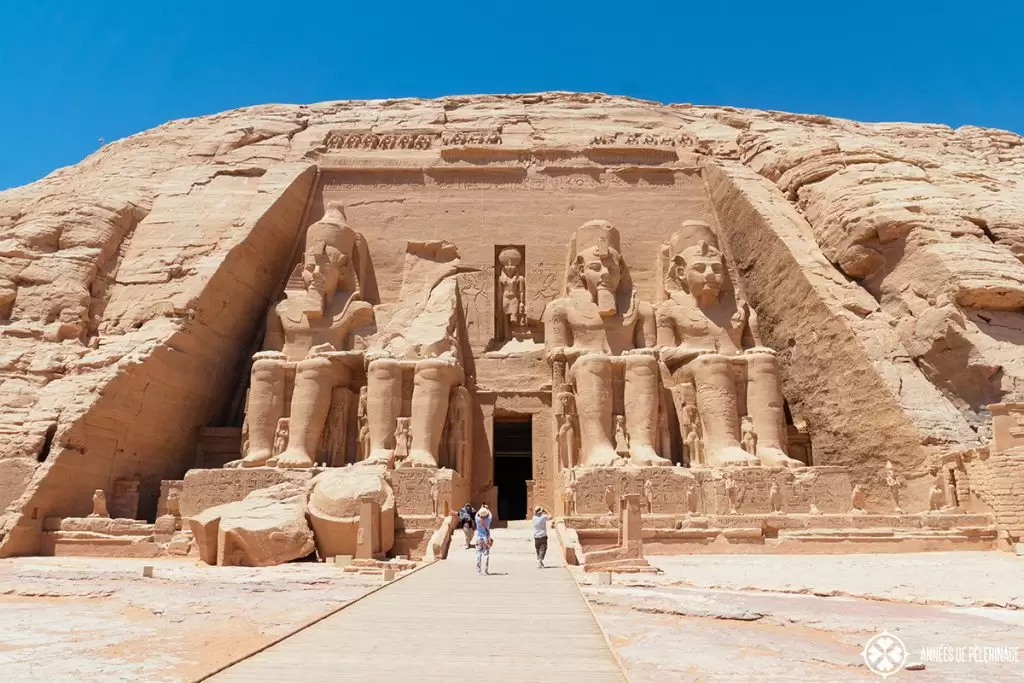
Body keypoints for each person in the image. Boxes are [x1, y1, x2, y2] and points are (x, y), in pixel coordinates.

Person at [474, 505, 493, 575]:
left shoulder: (477, 519)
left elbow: (477, 514)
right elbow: (490, 514)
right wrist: (487, 508)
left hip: (479, 538)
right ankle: (485, 571)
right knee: (486, 554)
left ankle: (478, 571)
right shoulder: (488, 519)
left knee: (478, 554)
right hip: (486, 538)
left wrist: (481, 507)